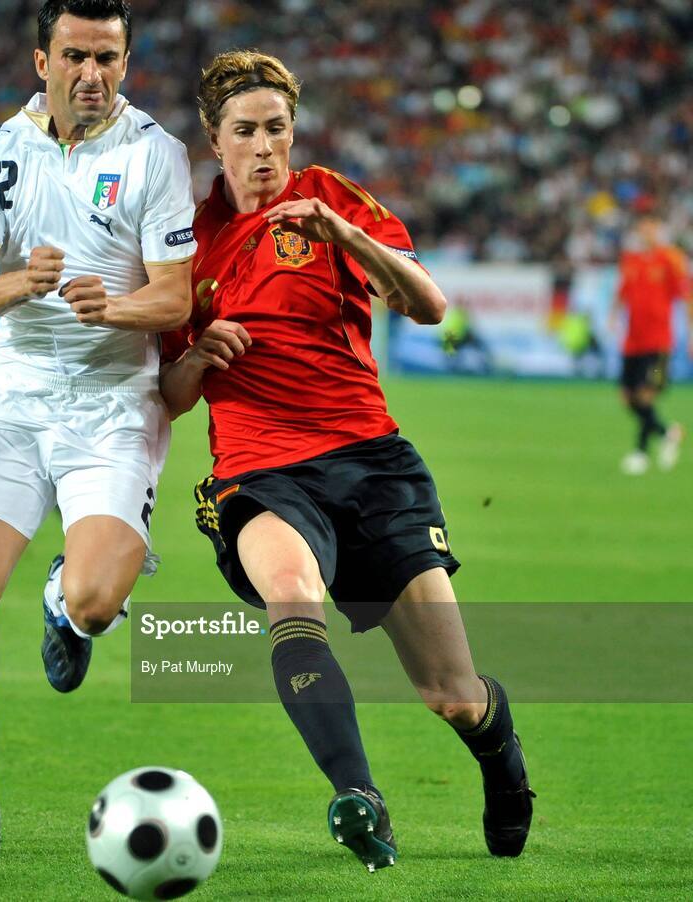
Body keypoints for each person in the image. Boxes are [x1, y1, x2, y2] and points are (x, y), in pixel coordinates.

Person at [159, 50, 535, 872]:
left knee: (452, 694)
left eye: (278, 129)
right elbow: (174, 395)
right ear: (213, 139)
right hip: (261, 471)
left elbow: (428, 306)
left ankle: (501, 758)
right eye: (246, 132)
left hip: (371, 463)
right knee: (292, 595)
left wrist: (349, 237)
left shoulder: (329, 198)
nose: (265, 148)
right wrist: (196, 357)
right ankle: (358, 797)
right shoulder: (184, 240)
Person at [0, 0, 195, 858]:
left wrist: (112, 305)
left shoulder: (156, 155)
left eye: (108, 57)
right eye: (75, 55)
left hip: (113, 401)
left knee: (94, 599)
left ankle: (62, 601)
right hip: (14, 396)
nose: (93, 74)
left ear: (126, 60)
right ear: (41, 62)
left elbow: (176, 297)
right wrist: (24, 283)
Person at [614, 215, 690, 475]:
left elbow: (686, 295)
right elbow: (622, 292)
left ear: (659, 229)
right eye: (642, 226)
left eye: (651, 226)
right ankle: (668, 432)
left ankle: (641, 453)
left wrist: (691, 334)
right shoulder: (631, 260)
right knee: (627, 397)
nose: (646, 231)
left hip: (659, 346)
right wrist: (613, 316)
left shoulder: (670, 259)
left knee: (647, 392)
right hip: (632, 344)